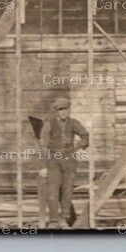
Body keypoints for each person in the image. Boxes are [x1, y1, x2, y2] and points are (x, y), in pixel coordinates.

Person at [37, 96, 89, 228]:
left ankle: (64, 219)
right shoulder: (49, 124)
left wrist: (79, 145)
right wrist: (43, 165)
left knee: (67, 191)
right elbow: (43, 145)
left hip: (69, 160)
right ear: (57, 111)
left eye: (65, 109)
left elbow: (85, 135)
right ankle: (54, 220)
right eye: (60, 110)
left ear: (69, 109)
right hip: (53, 160)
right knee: (52, 192)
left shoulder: (74, 123)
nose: (63, 112)